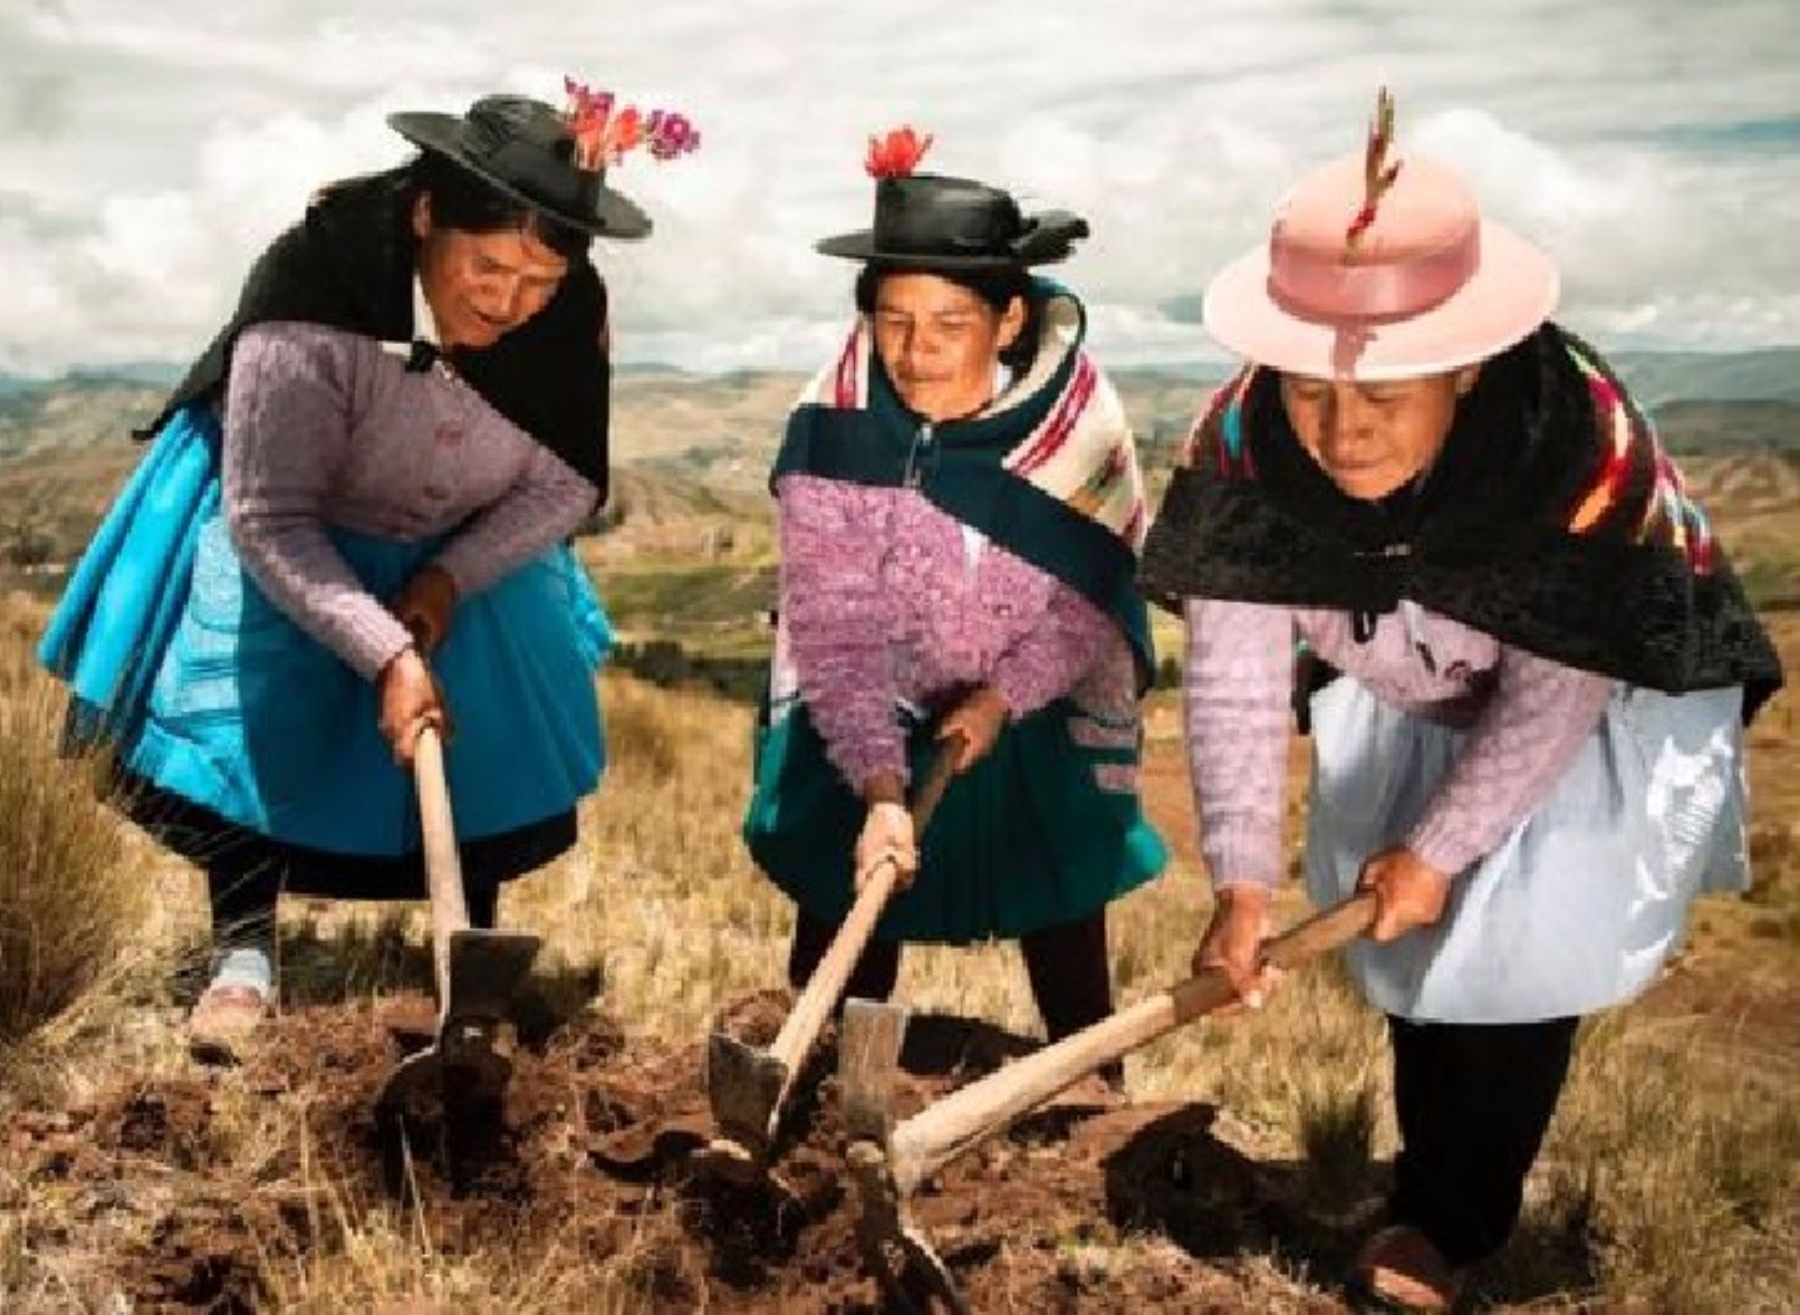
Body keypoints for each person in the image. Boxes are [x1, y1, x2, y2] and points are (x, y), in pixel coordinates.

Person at [1138, 92, 1782, 1310]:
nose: (1340, 433)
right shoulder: (1239, 455)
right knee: (1413, 938)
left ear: (1466, 366)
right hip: (1412, 675)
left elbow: (1556, 680)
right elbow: (1230, 672)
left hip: (1602, 691)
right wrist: (1240, 885)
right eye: (1312, 393)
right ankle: (1431, 1168)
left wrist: (1438, 845)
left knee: (1513, 946)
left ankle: (1451, 1220)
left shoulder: (1568, 455)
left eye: (1384, 399)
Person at [39, 85, 699, 1060]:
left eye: (539, 279)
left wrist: (445, 583)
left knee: (490, 686)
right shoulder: (313, 295)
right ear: (428, 215)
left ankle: (463, 946)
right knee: (255, 685)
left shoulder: (569, 315)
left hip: (464, 535)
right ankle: (244, 950)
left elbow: (565, 487)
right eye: (486, 265)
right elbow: (269, 515)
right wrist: (386, 651)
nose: (507, 301)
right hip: (289, 523)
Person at [743, 129, 1168, 1057]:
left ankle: (1092, 1110)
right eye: (894, 319)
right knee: (848, 909)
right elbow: (836, 628)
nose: (917, 349)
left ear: (1008, 321)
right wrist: (883, 787)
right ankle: (812, 1085)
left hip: (1039, 710)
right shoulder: (833, 431)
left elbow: (1088, 599)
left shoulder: (1076, 428)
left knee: (1063, 928)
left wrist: (999, 696)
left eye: (949, 323)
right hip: (867, 716)